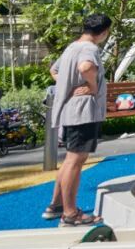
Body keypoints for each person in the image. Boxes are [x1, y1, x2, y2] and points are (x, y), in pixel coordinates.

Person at [43, 13, 112, 226]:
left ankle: (56, 205)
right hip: (83, 112)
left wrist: (69, 84)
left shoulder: (72, 47)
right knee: (76, 160)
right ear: (103, 32)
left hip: (69, 110)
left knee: (70, 159)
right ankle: (70, 214)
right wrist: (91, 86)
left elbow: (54, 70)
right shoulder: (90, 48)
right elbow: (86, 67)